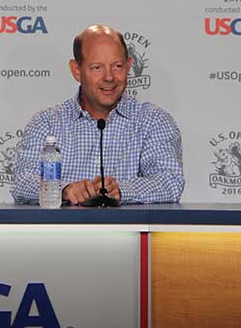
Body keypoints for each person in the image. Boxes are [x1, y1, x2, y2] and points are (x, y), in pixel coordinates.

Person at [11, 24, 184, 205]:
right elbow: (21, 182)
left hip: (126, 232)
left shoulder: (153, 121)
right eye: (97, 68)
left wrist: (122, 190)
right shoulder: (46, 123)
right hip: (60, 233)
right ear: (76, 70)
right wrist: (64, 189)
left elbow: (170, 182)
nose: (109, 77)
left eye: (117, 66)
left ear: (129, 66)